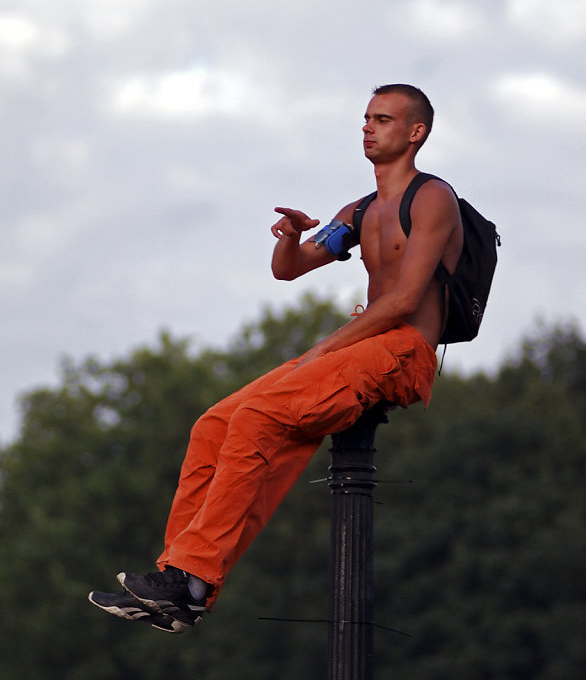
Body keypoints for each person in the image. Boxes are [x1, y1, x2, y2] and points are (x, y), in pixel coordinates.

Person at [88, 84, 463, 633]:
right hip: (361, 345)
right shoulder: (360, 212)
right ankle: (181, 583)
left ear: (415, 133)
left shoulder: (431, 197)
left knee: (260, 418)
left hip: (401, 351)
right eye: (364, 117)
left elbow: (406, 300)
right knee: (214, 425)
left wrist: (327, 347)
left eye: (382, 119)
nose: (366, 127)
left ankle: (193, 578)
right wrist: (290, 237)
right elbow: (290, 268)